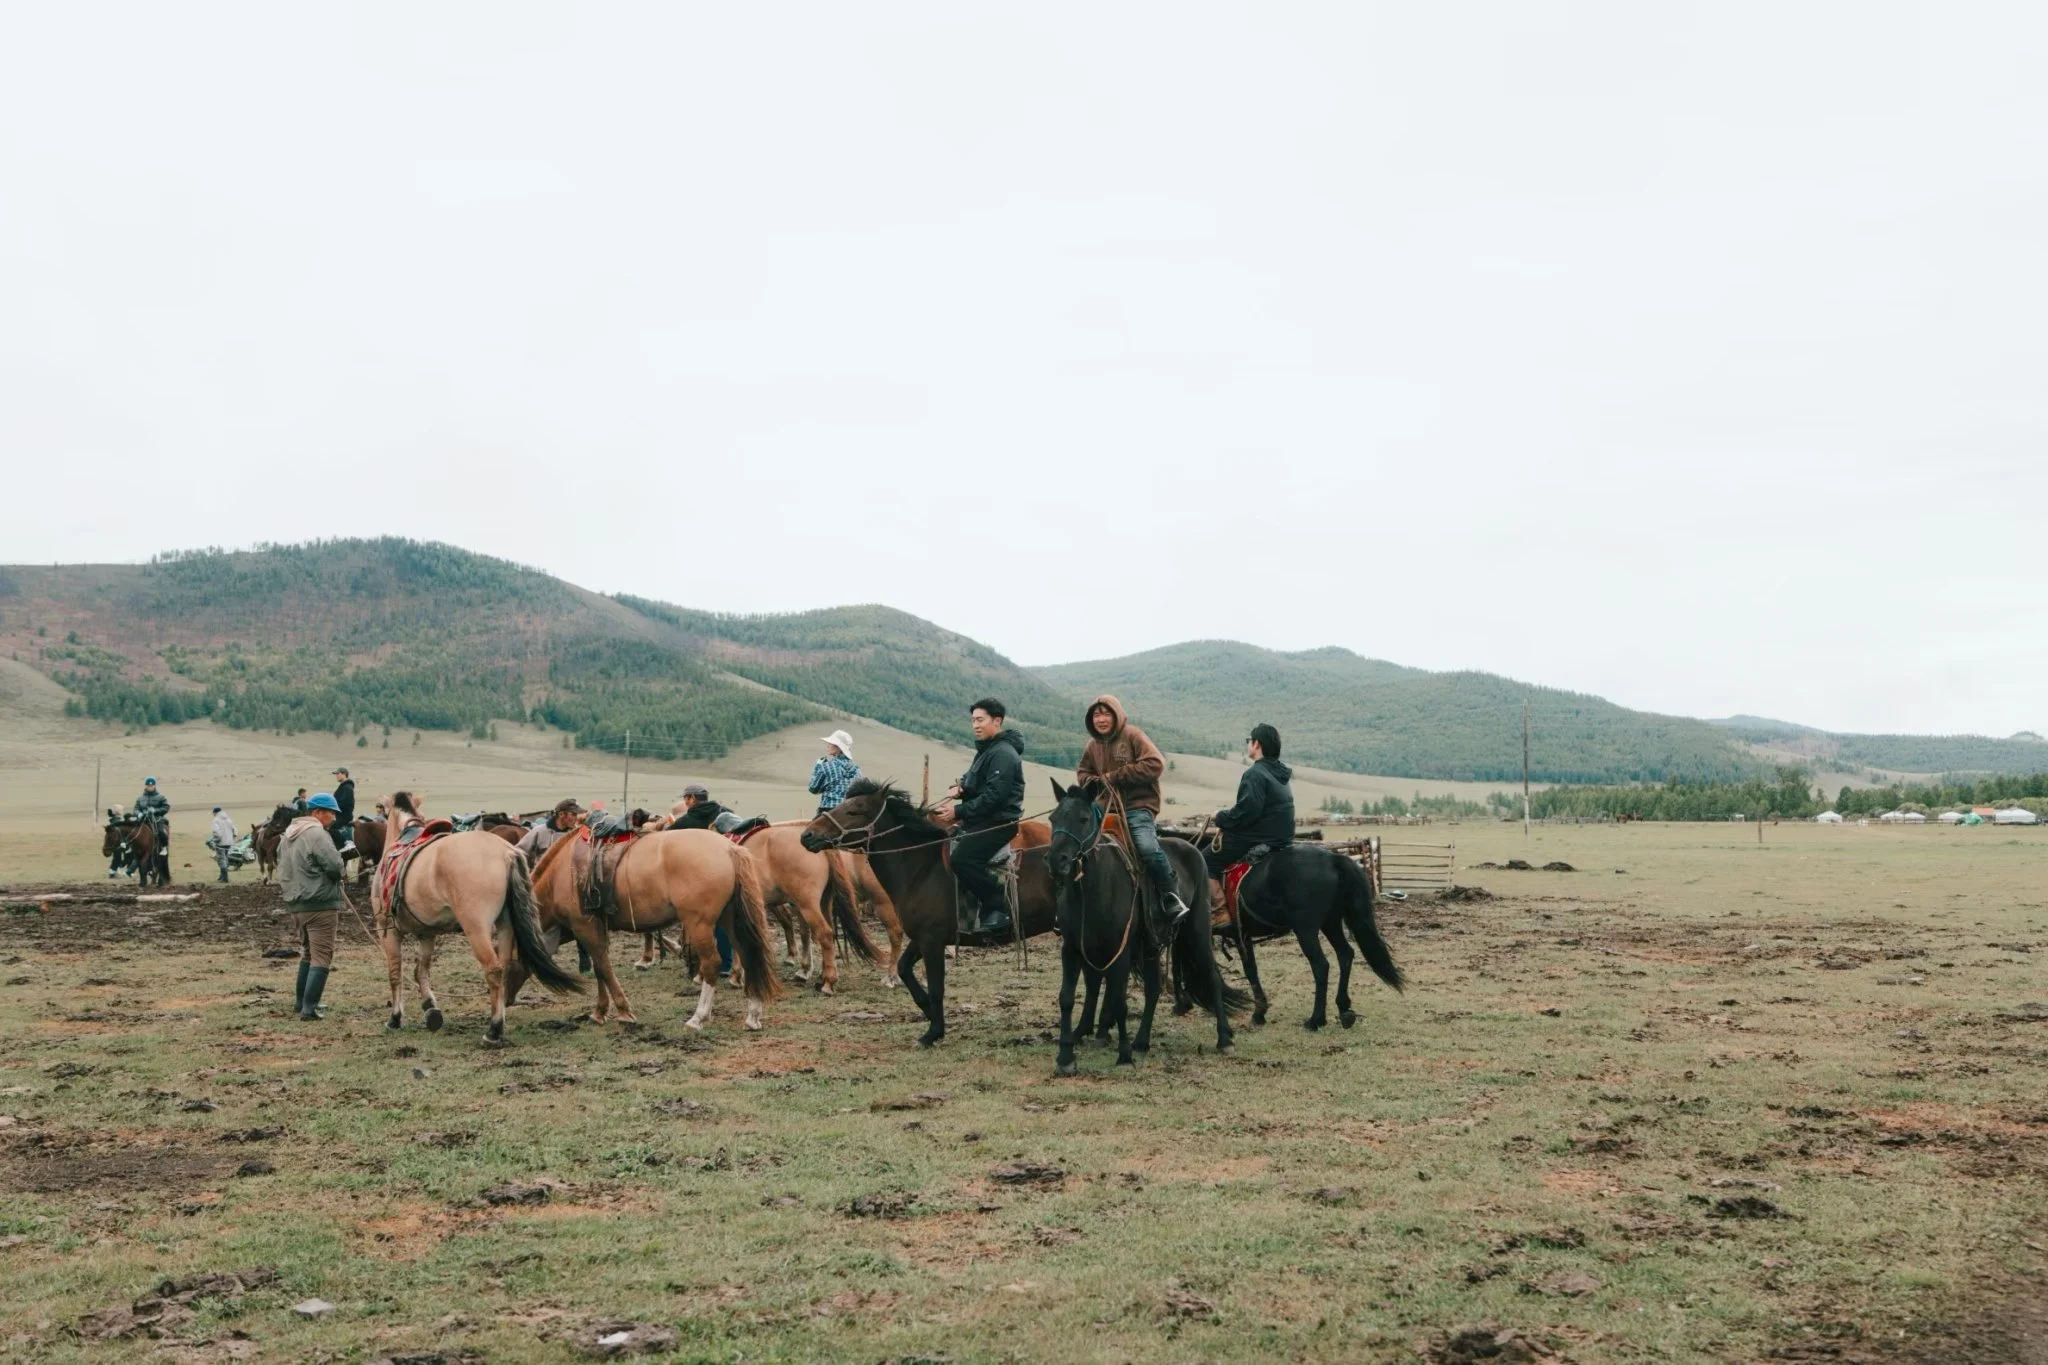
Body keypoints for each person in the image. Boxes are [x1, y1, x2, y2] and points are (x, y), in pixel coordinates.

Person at [1075, 695, 1189, 931]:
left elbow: (1155, 763)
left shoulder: (1133, 735)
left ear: (1116, 714)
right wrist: (1092, 782)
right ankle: (1070, 903)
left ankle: (1171, 895)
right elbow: (1082, 772)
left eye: (1106, 714)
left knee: (1146, 846)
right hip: (1104, 808)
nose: (1101, 719)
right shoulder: (1092, 745)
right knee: (1077, 841)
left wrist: (1117, 776)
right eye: (1096, 715)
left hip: (1137, 806)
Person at [947, 698, 1025, 935]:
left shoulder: (1003, 753)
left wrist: (958, 811)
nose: (975, 725)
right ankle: (962, 917)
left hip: (998, 822)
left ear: (997, 721)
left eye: (980, 720)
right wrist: (962, 788)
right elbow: (976, 780)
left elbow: (995, 796)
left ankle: (997, 907)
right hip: (981, 820)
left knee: (961, 860)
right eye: (973, 720)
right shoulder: (987, 750)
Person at [278, 792, 346, 1021]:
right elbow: (335, 866)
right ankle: (310, 1008)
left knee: (308, 954)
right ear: (317, 812)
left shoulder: (287, 835)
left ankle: (301, 1002)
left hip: (297, 904)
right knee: (322, 956)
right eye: (331, 813)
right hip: (320, 903)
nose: (334, 818)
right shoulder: (316, 833)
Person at [1206, 723, 1296, 883]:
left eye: (1249, 740)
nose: (1248, 744)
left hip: (1257, 838)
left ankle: (1219, 909)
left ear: (1256, 744)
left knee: (1204, 862)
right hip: (1282, 838)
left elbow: (1246, 813)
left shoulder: (1255, 774)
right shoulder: (1279, 773)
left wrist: (1219, 816)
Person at [669, 785, 732, 974]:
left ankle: (701, 964)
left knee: (701, 922)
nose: (686, 802)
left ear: (691, 799)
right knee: (726, 920)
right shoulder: (726, 813)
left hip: (698, 878)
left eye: (687, 798)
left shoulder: (685, 822)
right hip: (728, 872)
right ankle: (728, 964)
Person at [111, 776, 171, 880]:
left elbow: (166, 807)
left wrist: (155, 811)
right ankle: (128, 847)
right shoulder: (140, 798)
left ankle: (163, 848)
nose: (150, 787)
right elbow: (136, 808)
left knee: (162, 832)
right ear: (146, 786)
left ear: (155, 786)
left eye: (152, 785)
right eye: (148, 785)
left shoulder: (161, 797)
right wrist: (138, 814)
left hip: (156, 819)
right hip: (143, 820)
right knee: (133, 832)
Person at [515, 798, 585, 864]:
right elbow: (518, 852)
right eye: (573, 814)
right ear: (561, 814)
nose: (576, 818)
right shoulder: (539, 831)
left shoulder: (576, 835)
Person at [808, 730, 861, 814]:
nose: (827, 745)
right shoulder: (857, 770)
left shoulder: (826, 766)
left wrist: (818, 767)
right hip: (850, 814)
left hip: (829, 812)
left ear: (838, 747)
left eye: (830, 743)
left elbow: (813, 789)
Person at [208, 806, 238, 884]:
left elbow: (217, 833)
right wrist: (231, 839)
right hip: (229, 843)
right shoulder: (228, 819)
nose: (213, 815)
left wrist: (214, 841)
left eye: (213, 813)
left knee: (221, 860)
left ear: (215, 813)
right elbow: (235, 831)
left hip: (220, 843)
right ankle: (221, 876)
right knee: (225, 858)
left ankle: (225, 878)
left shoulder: (216, 820)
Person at [329, 768, 356, 854]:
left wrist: (333, 809)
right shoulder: (344, 787)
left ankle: (347, 843)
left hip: (344, 815)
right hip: (339, 813)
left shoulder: (347, 788)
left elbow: (344, 803)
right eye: (336, 774)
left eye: (338, 774)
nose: (336, 776)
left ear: (344, 774)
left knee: (330, 826)